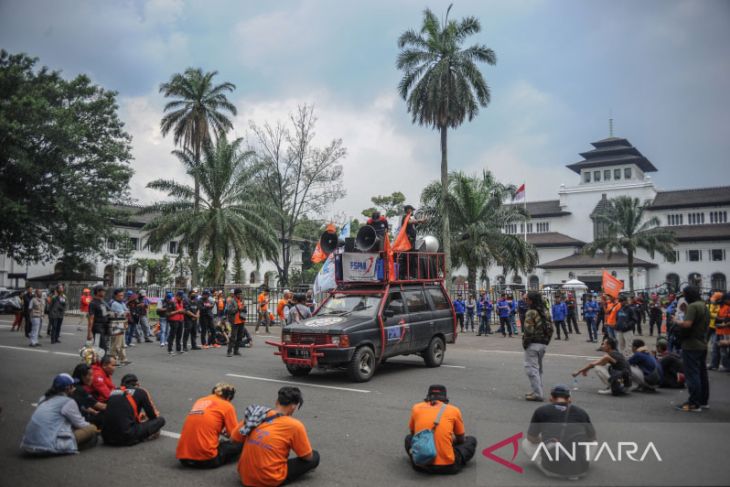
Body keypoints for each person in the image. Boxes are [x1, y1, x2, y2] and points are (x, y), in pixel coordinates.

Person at [232, 386, 320, 486]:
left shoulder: (257, 413)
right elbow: (307, 457)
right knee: (315, 456)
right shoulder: (295, 425)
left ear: (277, 401)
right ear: (293, 406)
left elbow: (234, 438)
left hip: (244, 476)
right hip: (267, 479)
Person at [521, 385, 596, 480]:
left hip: (552, 469)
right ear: (569, 399)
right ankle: (578, 466)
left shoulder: (541, 411)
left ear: (551, 398)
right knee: (593, 443)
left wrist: (543, 441)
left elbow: (531, 438)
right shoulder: (581, 412)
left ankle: (549, 465)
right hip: (579, 470)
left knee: (526, 443)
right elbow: (592, 438)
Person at [405, 385, 477, 475]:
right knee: (471, 440)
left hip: (421, 465)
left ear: (428, 396)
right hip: (448, 467)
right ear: (445, 398)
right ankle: (446, 455)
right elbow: (461, 439)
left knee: (408, 438)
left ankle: (419, 458)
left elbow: (414, 434)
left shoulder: (416, 408)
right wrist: (450, 440)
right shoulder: (454, 410)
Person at [21, 373, 99, 455]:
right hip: (48, 445)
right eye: (73, 386)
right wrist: (94, 428)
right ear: (68, 388)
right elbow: (81, 424)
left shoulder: (43, 398)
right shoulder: (68, 402)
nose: (75, 388)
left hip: (28, 444)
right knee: (92, 429)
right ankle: (70, 446)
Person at [176, 383, 242, 468]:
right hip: (207, 460)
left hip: (183, 460)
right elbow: (235, 435)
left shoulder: (200, 401)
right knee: (240, 444)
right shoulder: (227, 405)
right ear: (229, 397)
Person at [102, 374, 165, 446]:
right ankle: (142, 436)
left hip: (106, 438)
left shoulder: (113, 392)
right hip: (126, 437)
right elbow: (152, 415)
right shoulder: (140, 392)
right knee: (160, 420)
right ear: (137, 384)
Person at [675, 285, 710, 412]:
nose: (684, 298)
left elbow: (687, 324)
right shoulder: (703, 305)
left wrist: (676, 321)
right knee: (702, 374)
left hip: (691, 345)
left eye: (685, 295)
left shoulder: (693, 306)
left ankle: (694, 403)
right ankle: (703, 401)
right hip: (702, 343)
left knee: (692, 374)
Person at [522, 292, 553, 402]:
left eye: (527, 299)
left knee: (531, 369)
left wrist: (525, 343)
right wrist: (546, 341)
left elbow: (528, 330)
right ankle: (536, 390)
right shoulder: (545, 311)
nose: (525, 301)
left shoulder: (531, 312)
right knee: (538, 369)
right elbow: (551, 328)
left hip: (533, 343)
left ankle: (537, 393)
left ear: (531, 300)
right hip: (543, 343)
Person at [71, 363, 107, 428]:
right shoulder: (80, 390)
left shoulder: (73, 384)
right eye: (89, 375)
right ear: (82, 376)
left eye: (92, 375)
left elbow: (82, 405)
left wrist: (94, 412)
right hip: (77, 423)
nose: (92, 378)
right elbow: (101, 406)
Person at [87, 285, 112, 351]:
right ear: (98, 292)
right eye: (103, 291)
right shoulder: (93, 303)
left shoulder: (103, 302)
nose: (104, 292)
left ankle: (100, 359)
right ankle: (101, 360)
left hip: (105, 326)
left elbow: (106, 312)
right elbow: (91, 318)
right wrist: (89, 332)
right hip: (97, 327)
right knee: (100, 346)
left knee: (104, 346)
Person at [227, 288, 251, 357]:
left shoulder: (241, 300)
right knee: (233, 337)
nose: (240, 295)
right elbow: (229, 310)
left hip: (241, 320)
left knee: (240, 336)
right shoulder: (232, 301)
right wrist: (238, 308)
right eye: (238, 294)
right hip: (235, 321)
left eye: (240, 294)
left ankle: (236, 350)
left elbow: (244, 309)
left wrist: (244, 308)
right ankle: (229, 351)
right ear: (235, 294)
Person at [109, 289, 130, 365]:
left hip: (121, 323)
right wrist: (125, 312)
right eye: (120, 295)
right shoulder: (114, 303)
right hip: (116, 323)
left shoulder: (121, 303)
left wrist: (125, 312)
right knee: (116, 343)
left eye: (122, 295)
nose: (122, 297)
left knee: (122, 343)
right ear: (115, 296)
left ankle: (123, 358)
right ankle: (112, 359)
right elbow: (123, 313)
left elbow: (127, 311)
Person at [167, 290, 187, 356]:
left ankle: (178, 349)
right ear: (177, 296)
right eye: (181, 297)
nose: (182, 298)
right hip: (173, 320)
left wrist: (183, 311)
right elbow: (168, 313)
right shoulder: (172, 302)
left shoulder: (181, 302)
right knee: (172, 335)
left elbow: (182, 310)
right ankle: (170, 349)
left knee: (179, 335)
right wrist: (178, 311)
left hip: (180, 320)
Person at [707, 292, 723, 370]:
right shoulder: (710, 304)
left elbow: (720, 316)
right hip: (710, 327)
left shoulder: (722, 306)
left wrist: (711, 315)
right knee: (714, 346)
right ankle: (714, 364)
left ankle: (715, 364)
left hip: (719, 328)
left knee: (716, 346)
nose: (713, 300)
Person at [715, 292, 730, 371]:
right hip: (722, 331)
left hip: (726, 331)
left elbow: (726, 320)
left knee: (724, 350)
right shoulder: (721, 306)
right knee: (722, 350)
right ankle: (725, 366)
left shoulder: (727, 307)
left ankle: (726, 367)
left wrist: (723, 323)